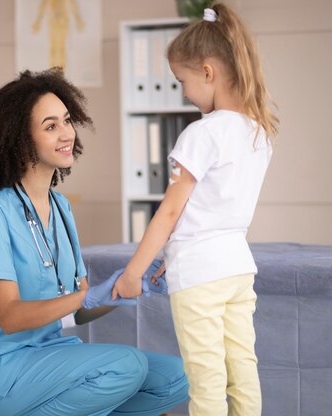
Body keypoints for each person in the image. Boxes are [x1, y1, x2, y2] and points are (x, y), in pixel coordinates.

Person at [0, 68, 189, 416]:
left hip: (48, 355)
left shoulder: (60, 208)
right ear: (20, 139)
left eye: (66, 121)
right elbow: (9, 316)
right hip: (0, 370)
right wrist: (85, 294)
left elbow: (79, 310)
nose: (67, 133)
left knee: (178, 377)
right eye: (51, 126)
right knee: (126, 366)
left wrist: (125, 284)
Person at [112, 3, 279, 416]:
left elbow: (169, 212)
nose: (183, 93)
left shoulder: (201, 134)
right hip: (238, 268)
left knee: (205, 378)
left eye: (182, 81)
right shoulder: (259, 131)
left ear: (208, 72)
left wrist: (134, 273)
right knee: (243, 369)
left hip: (200, 278)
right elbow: (214, 209)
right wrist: (174, 253)